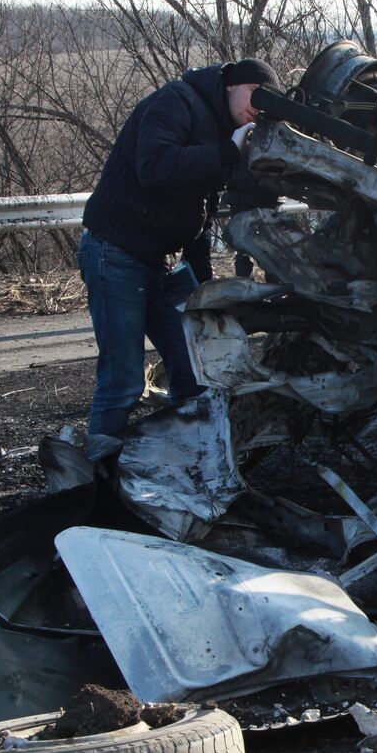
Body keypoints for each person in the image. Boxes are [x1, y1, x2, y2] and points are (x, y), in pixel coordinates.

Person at [77, 57, 279, 460]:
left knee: (196, 369)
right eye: (255, 95)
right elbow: (152, 167)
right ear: (230, 85)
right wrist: (225, 152)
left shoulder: (223, 130)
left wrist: (204, 289)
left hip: (161, 262)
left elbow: (197, 216)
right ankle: (93, 481)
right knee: (122, 379)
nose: (259, 107)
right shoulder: (177, 103)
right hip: (116, 253)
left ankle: (191, 467)